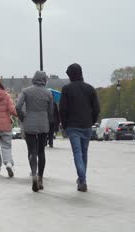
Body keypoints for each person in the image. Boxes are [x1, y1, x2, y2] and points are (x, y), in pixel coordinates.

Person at [60, 63, 100, 192]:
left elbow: (63, 109)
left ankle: (82, 179)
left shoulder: (66, 89)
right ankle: (82, 179)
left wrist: (64, 125)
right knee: (84, 153)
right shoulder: (90, 89)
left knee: (77, 153)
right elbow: (96, 109)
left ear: (71, 75)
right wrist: (91, 121)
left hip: (73, 126)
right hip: (86, 125)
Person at [16, 71, 53, 192]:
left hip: (29, 123)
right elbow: (51, 113)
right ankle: (41, 178)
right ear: (44, 80)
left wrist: (22, 117)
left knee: (32, 151)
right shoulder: (48, 93)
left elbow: (18, 106)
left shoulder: (26, 91)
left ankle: (33, 175)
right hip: (43, 124)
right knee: (41, 151)